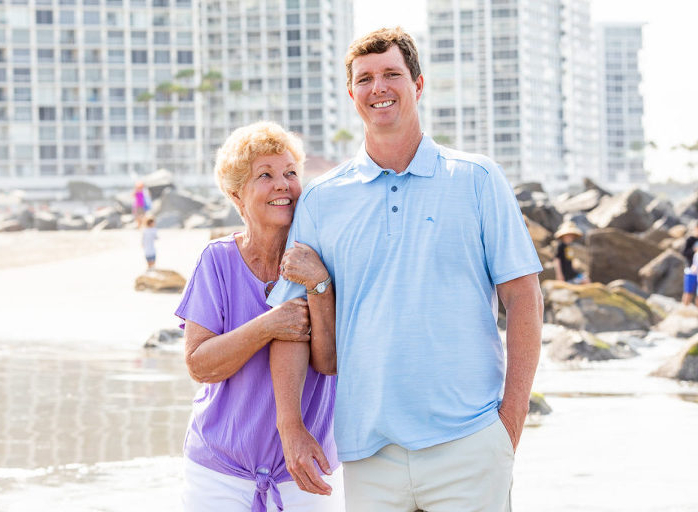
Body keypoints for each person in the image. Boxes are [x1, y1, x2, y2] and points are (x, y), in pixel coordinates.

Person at [268, 27, 544, 512]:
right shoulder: (321, 197)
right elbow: (292, 324)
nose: (379, 88)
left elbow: (524, 298)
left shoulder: (477, 179)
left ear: (417, 85)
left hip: (469, 443)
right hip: (368, 452)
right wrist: (291, 427)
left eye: (392, 74)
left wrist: (510, 421)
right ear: (351, 93)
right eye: (365, 79)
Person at [174, 121, 343, 512]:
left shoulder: (323, 260)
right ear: (236, 195)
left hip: (308, 468)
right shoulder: (216, 261)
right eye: (264, 176)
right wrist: (267, 325)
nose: (283, 184)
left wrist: (319, 286)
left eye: (290, 173)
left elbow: (328, 360)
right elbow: (200, 364)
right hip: (218, 472)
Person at [681, 222, 698, 305]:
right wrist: (694, 250)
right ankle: (684, 308)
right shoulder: (691, 240)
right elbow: (684, 253)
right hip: (691, 270)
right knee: (688, 292)